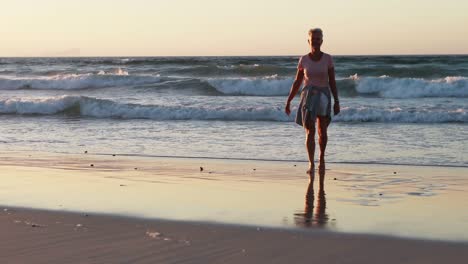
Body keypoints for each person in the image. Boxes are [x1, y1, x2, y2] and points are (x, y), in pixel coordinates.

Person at [285, 28, 340, 175]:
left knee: (322, 130)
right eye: (313, 38)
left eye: (318, 38)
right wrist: (289, 101)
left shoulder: (328, 59)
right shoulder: (304, 59)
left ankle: (321, 158)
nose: (315, 41)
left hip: (323, 95)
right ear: (308, 41)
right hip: (308, 95)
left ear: (322, 41)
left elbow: (332, 81)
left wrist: (336, 101)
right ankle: (311, 163)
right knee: (310, 130)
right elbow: (297, 81)